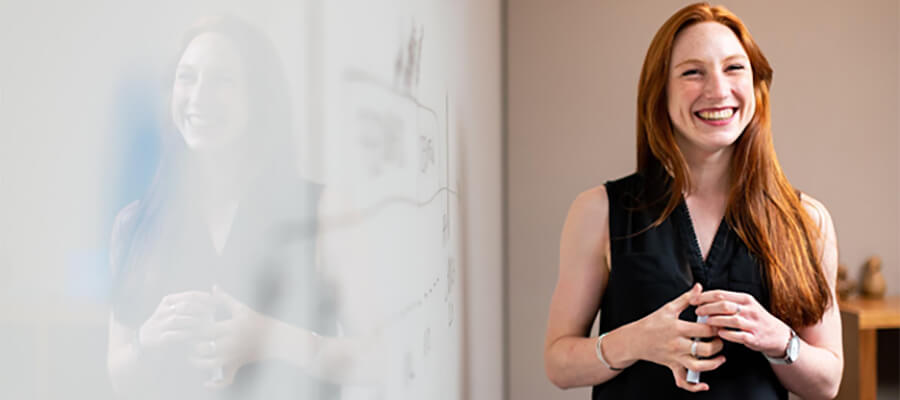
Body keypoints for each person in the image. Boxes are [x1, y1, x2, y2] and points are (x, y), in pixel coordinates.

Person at [544, 3, 842, 399]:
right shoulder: (598, 211)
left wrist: (779, 340)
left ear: (755, 85)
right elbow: (559, 365)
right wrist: (635, 341)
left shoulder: (807, 220)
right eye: (692, 72)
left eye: (734, 68)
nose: (718, 90)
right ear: (660, 93)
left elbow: (828, 383)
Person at [105, 16, 340, 399]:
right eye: (187, 77)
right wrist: (147, 340)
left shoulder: (320, 211)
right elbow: (119, 377)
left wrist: (271, 338)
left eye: (223, 80)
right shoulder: (134, 225)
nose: (199, 98)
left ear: (258, 97)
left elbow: (378, 355)